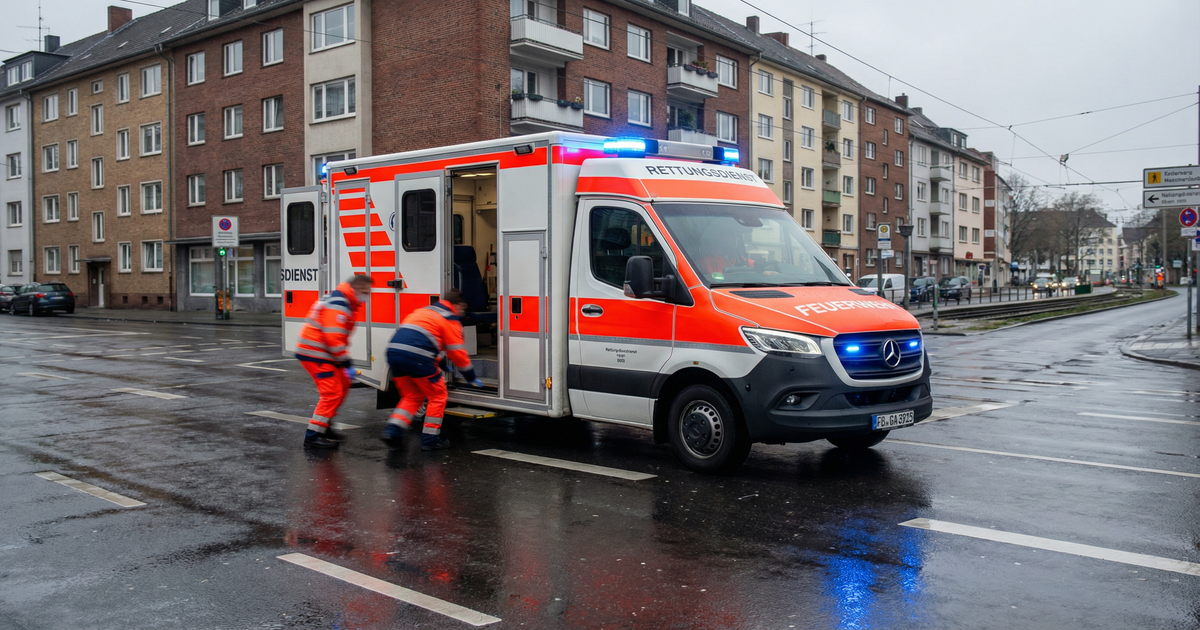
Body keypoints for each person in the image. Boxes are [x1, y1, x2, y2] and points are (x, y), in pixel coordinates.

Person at [382, 289, 483, 451]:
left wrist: (440, 362)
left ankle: (393, 431)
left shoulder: (424, 311)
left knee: (412, 396)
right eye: (462, 308)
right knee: (438, 395)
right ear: (454, 305)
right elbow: (458, 354)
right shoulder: (450, 320)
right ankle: (430, 440)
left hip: (394, 354)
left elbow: (418, 340)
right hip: (418, 358)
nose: (462, 312)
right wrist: (470, 377)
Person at [296, 274, 372, 449]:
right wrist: (346, 363)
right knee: (332, 392)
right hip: (317, 353)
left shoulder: (343, 300)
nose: (366, 295)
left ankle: (325, 426)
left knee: (343, 385)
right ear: (356, 288)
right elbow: (333, 338)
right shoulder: (340, 302)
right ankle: (313, 435)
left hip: (323, 353)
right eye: (365, 291)